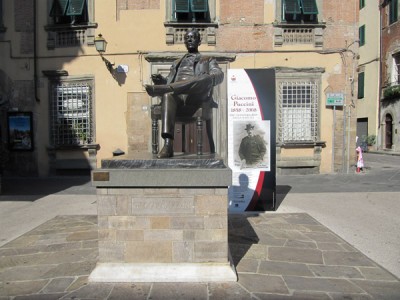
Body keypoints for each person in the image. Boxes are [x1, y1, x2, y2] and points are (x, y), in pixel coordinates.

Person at [145, 28, 224, 158]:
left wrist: (211, 77)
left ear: (199, 41)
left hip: (195, 96)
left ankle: (168, 88)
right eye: (187, 38)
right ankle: (168, 145)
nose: (190, 40)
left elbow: (219, 74)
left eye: (193, 37)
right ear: (185, 43)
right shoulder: (176, 63)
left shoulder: (207, 59)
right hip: (178, 96)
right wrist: (161, 81)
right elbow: (170, 80)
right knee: (168, 94)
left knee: (203, 77)